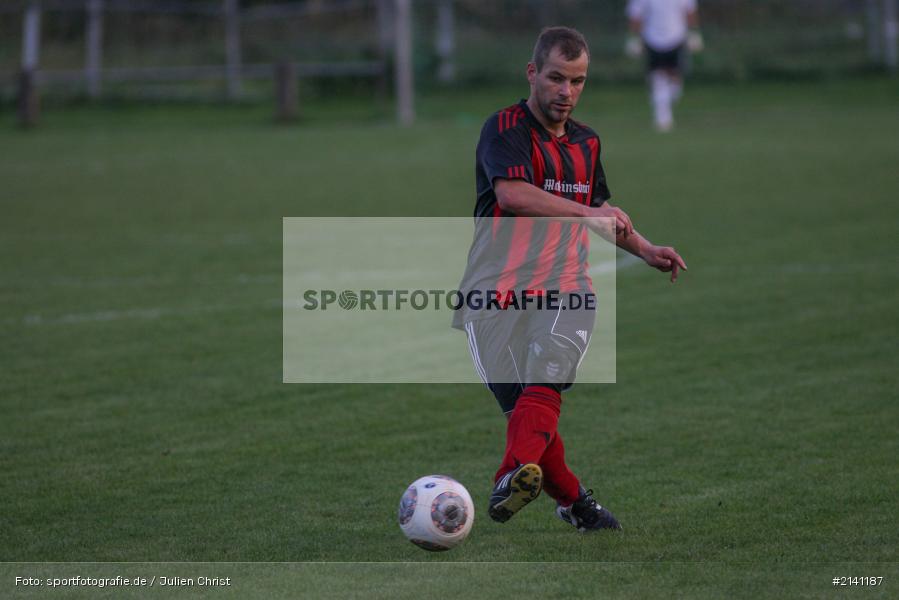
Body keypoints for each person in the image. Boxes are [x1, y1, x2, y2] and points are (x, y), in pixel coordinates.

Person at [453, 27, 687, 532]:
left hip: (566, 287)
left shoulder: (587, 142)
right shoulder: (505, 128)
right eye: (557, 78)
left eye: (578, 81)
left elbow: (599, 209)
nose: (566, 91)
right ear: (533, 73)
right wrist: (585, 213)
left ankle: (508, 476)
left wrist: (644, 247)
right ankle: (577, 504)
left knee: (548, 377)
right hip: (491, 293)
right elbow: (514, 195)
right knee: (530, 419)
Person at [625, 0, 704, 131]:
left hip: (676, 37)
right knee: (658, 78)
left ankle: (665, 99)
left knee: (674, 83)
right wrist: (634, 38)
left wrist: (694, 32)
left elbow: (689, 11)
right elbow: (636, 15)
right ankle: (663, 117)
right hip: (652, 39)